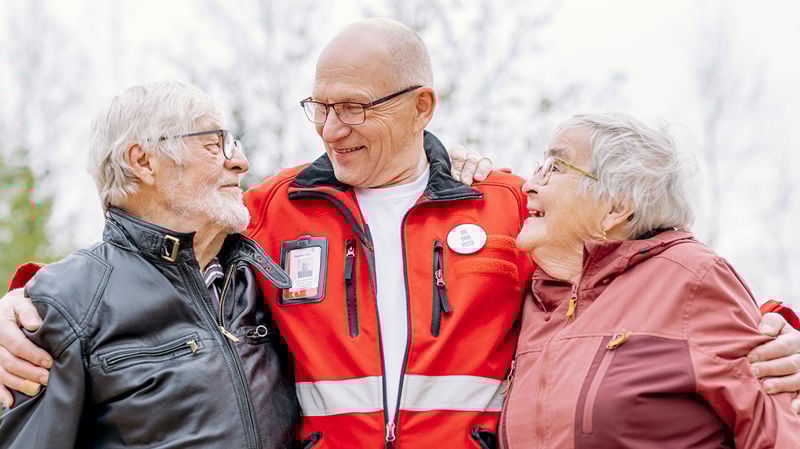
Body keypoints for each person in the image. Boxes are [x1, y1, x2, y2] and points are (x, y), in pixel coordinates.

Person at [1, 19, 800, 449]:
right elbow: (161, 276)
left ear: (423, 107)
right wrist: (19, 305)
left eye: (357, 107)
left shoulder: (508, 206)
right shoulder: (273, 207)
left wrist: (775, 324)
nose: (333, 128)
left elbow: (628, 274)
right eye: (319, 106)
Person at [0, 82, 299, 448]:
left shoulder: (263, 279)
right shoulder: (64, 304)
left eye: (232, 143)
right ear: (143, 162)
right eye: (214, 143)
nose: (239, 161)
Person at [500, 111, 800, 448]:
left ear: (617, 206)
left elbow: (777, 432)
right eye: (539, 166)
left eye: (555, 168)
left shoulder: (691, 277)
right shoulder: (531, 299)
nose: (529, 184)